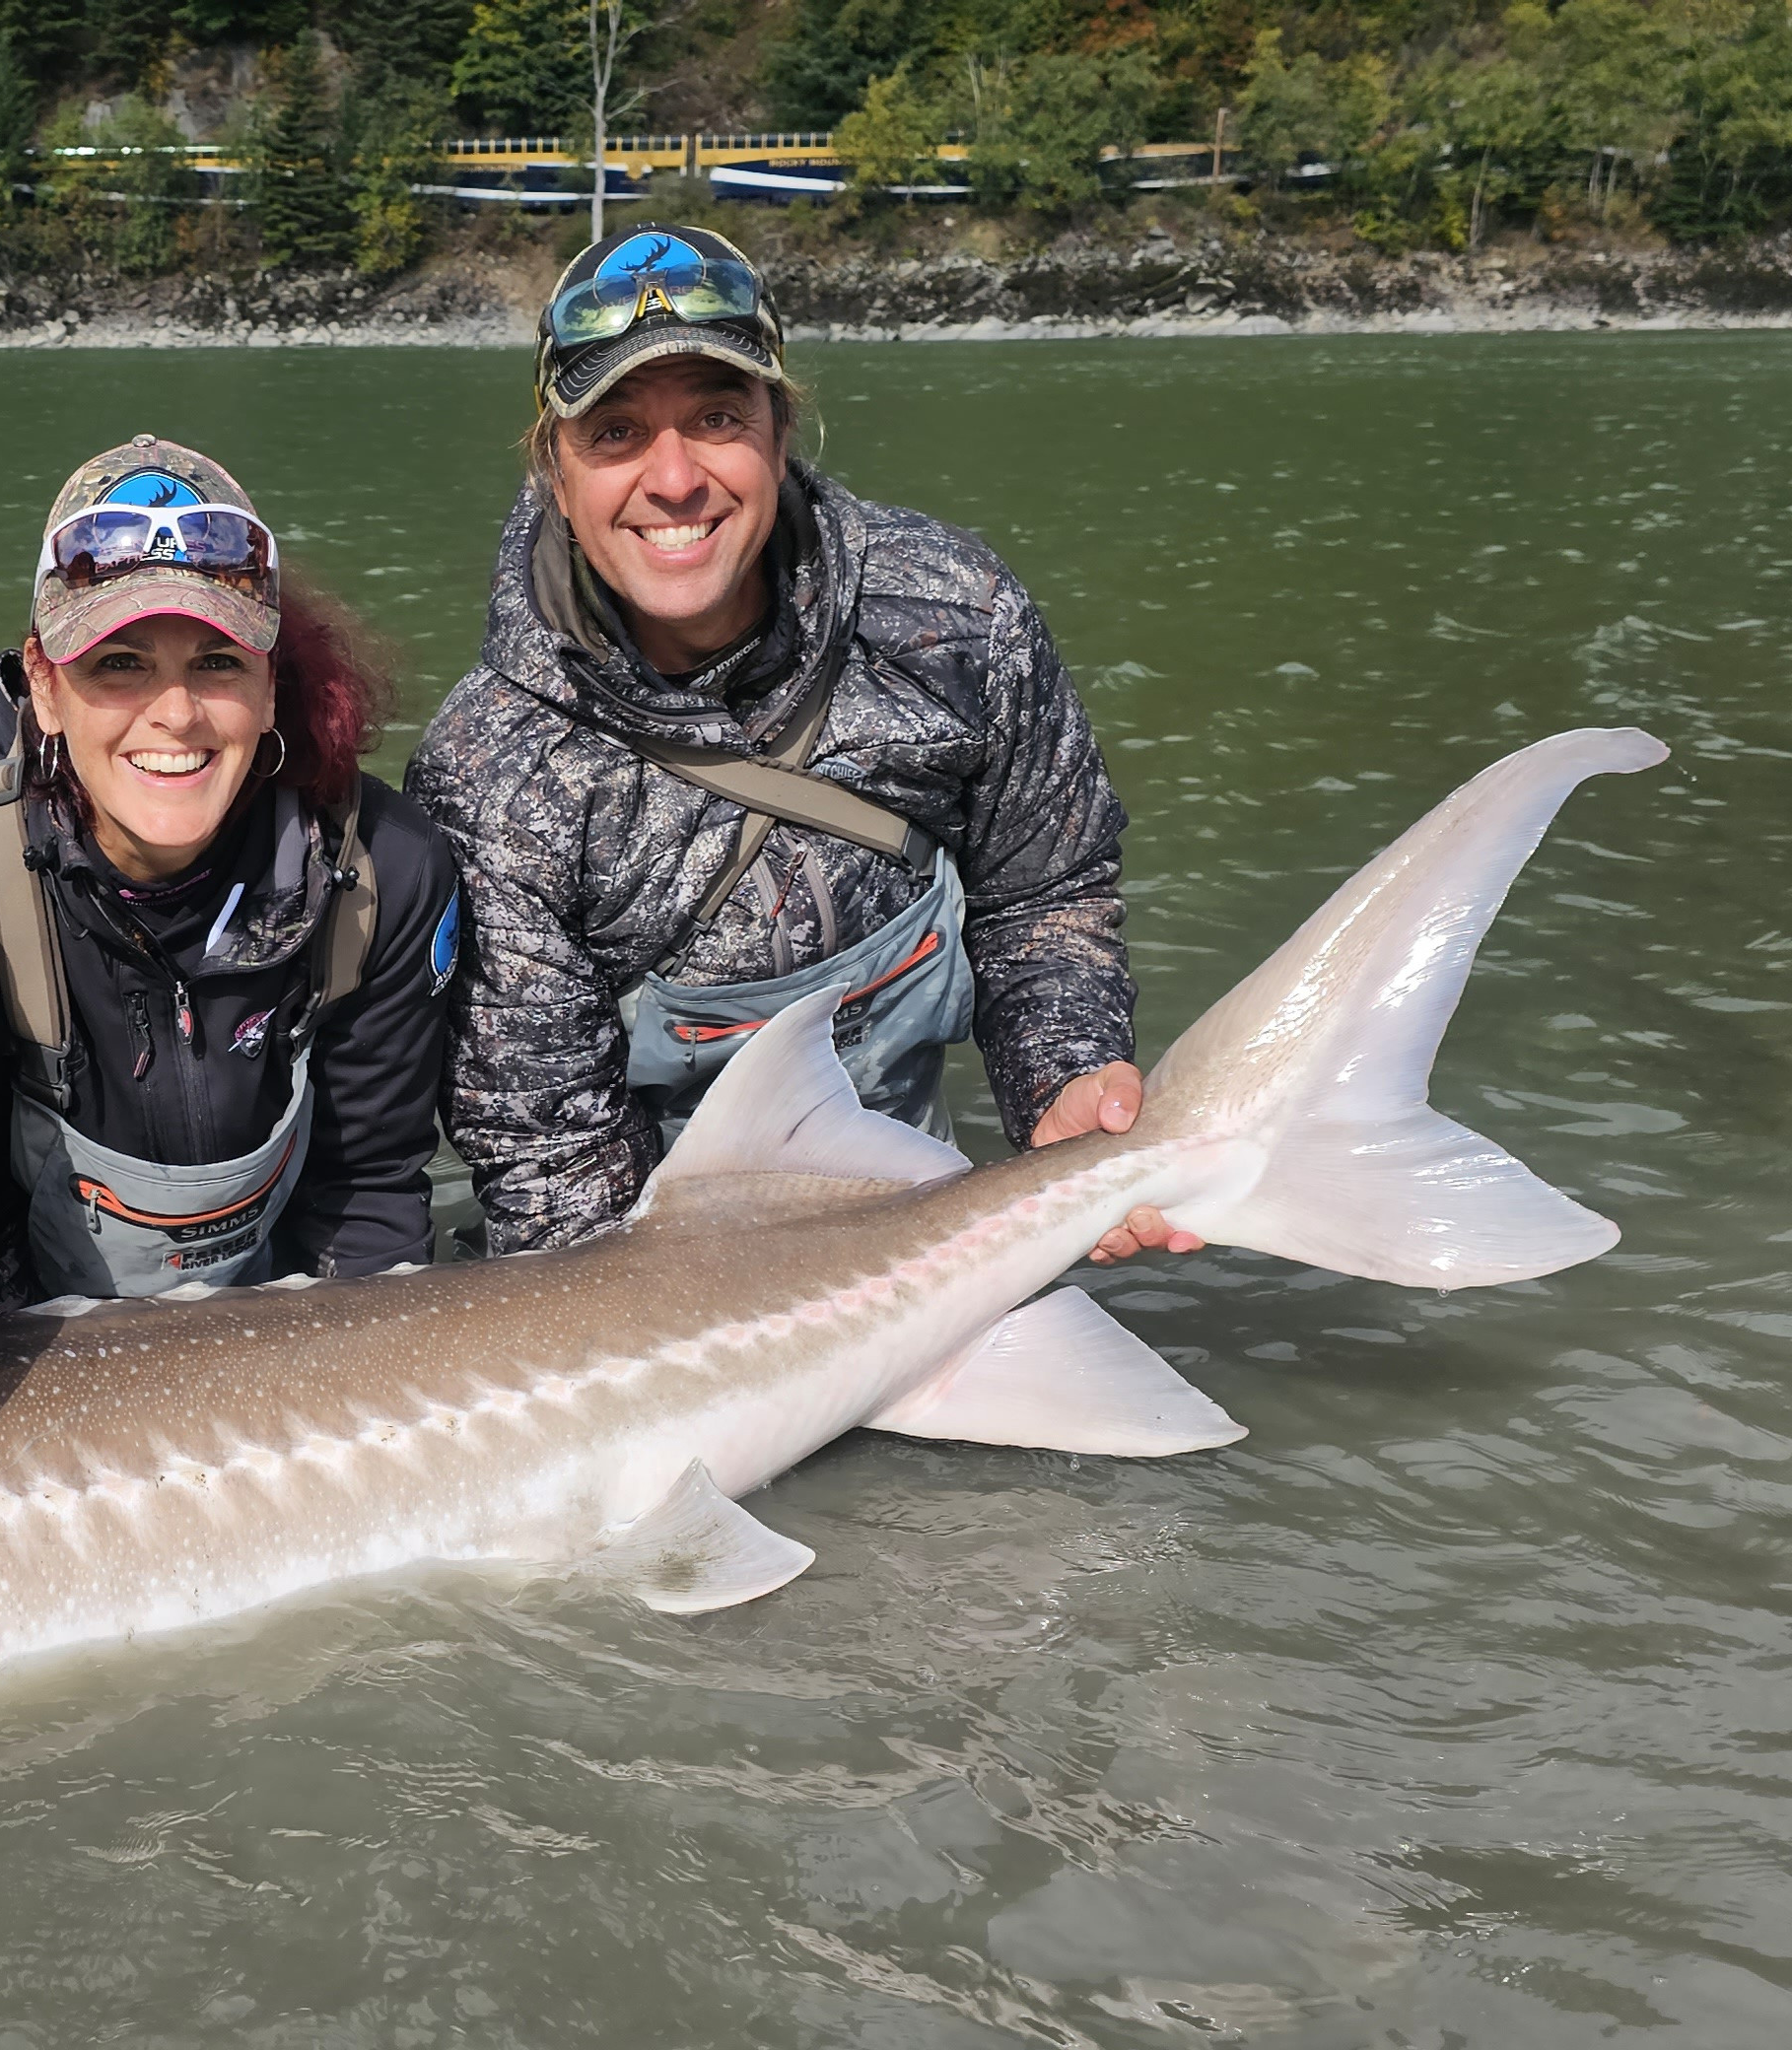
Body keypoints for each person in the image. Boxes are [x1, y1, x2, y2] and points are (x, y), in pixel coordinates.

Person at [404, 223, 1199, 1267]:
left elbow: (1043, 890)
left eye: (716, 417)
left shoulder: (952, 614)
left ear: (781, 433)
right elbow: (547, 1162)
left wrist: (1064, 1080)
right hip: (653, 1268)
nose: (673, 477)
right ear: (555, 471)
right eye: (615, 432)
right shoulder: (491, 774)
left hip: (925, 1219)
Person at [0, 437, 457, 1306]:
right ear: (45, 688)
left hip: (288, 1321)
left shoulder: (384, 868)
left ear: (271, 687)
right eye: (120, 664)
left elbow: (367, 1192)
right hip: (36, 1335)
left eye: (216, 663)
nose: (175, 713)